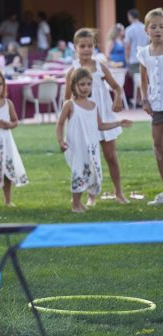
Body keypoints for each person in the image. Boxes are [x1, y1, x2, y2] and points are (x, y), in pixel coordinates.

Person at [65, 28, 127, 204]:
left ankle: (119, 192)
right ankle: (91, 196)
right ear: (75, 48)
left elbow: (116, 87)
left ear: (94, 46)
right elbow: (66, 99)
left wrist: (117, 100)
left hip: (105, 116)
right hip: (85, 121)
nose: (86, 49)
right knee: (89, 158)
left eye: (90, 46)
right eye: (82, 46)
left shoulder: (100, 67)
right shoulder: (73, 71)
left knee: (111, 156)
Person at [56, 68, 131, 212]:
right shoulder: (69, 105)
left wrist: (118, 123)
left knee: (92, 172)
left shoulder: (93, 105)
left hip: (92, 146)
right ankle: (76, 203)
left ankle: (82, 201)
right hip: (76, 145)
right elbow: (60, 124)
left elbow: (100, 125)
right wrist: (60, 141)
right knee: (78, 171)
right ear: (74, 86)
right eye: (82, 84)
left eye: (88, 84)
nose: (85, 88)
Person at [0, 68, 27, 209]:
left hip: (6, 142)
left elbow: (15, 121)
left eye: (0, 84)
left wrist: (9, 125)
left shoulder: (8, 103)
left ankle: (7, 200)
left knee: (7, 171)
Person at [137, 8, 163, 206]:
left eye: (161, 26)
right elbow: (143, 79)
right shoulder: (144, 53)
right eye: (153, 26)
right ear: (146, 30)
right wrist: (145, 99)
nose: (158, 30)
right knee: (158, 147)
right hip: (157, 105)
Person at [125, 9, 149, 76]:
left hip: (133, 58)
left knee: (135, 82)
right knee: (145, 80)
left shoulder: (128, 29)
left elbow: (128, 46)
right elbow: (149, 43)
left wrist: (127, 59)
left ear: (130, 16)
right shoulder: (145, 28)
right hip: (145, 58)